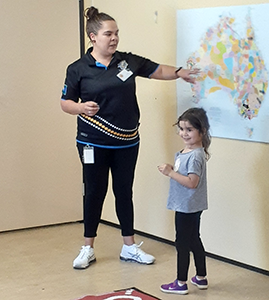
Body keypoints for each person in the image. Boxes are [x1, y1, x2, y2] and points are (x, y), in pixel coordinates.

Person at [60, 6, 199, 269]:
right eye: (108, 34)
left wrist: (180, 72)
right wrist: (80, 108)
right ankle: (87, 248)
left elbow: (156, 70)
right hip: (92, 141)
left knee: (124, 191)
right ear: (93, 37)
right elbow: (65, 102)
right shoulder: (78, 68)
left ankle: (129, 247)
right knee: (95, 192)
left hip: (127, 141)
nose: (114, 39)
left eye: (116, 34)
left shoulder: (127, 61)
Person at [158, 107, 211, 295]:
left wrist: (170, 173)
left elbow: (191, 182)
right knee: (194, 239)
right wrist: (174, 170)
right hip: (188, 204)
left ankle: (180, 282)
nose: (184, 133)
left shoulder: (196, 155)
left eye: (189, 129)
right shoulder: (187, 151)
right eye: (181, 129)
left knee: (182, 242)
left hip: (187, 205)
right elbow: (186, 175)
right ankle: (201, 277)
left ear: (201, 131)